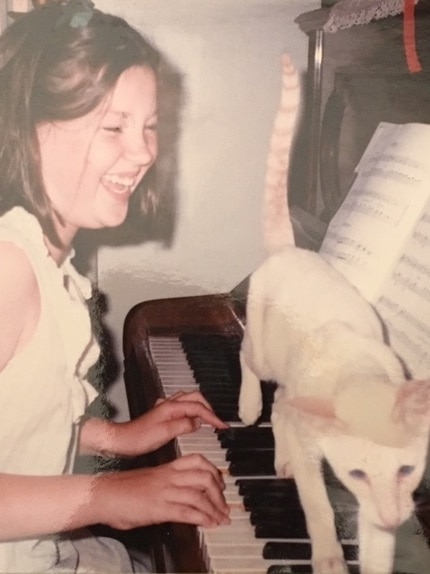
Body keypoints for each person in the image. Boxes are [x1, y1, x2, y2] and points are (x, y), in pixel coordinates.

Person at [0, 1, 231, 572]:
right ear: (28, 127)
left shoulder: (43, 255)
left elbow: (18, 423)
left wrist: (117, 438)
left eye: (150, 126)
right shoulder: (8, 268)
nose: (145, 152)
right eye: (114, 126)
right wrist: (109, 497)